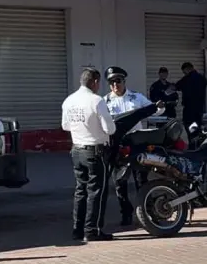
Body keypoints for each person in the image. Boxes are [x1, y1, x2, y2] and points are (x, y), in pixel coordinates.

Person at [61, 67, 116, 242]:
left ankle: (77, 229)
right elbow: (110, 128)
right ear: (95, 82)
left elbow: (65, 126)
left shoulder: (69, 101)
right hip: (95, 150)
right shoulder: (96, 101)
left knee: (81, 190)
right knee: (96, 191)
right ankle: (93, 230)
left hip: (76, 150)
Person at [104, 67, 152, 227]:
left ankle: (147, 212)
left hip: (137, 143)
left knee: (141, 180)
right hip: (117, 146)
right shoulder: (105, 102)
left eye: (118, 81)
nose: (115, 85)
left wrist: (160, 106)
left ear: (124, 82)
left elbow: (154, 109)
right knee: (120, 184)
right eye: (112, 82)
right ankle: (126, 214)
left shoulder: (136, 97)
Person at [175, 61, 207, 132]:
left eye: (184, 72)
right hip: (199, 109)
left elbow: (177, 86)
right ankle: (197, 141)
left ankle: (192, 142)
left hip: (189, 110)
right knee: (197, 128)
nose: (184, 74)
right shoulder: (202, 78)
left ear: (187, 69)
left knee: (190, 130)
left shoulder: (187, 79)